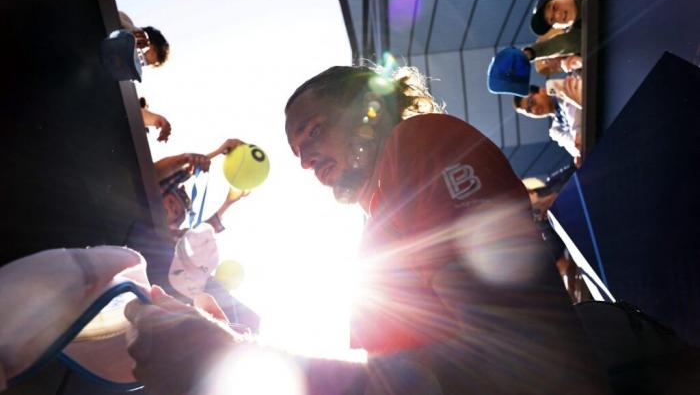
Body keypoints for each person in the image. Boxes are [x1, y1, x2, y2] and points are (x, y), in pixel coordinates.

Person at [125, 65, 610, 394]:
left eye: (313, 131)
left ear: (368, 110)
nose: (306, 159)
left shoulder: (422, 143)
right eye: (297, 152)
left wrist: (233, 358)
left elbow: (500, 361)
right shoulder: (382, 217)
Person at [513, 85, 582, 161]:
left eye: (531, 102)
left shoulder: (562, 92)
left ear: (542, 90)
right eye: (529, 111)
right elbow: (576, 148)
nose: (534, 110)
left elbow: (575, 112)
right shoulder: (555, 131)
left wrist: (578, 136)